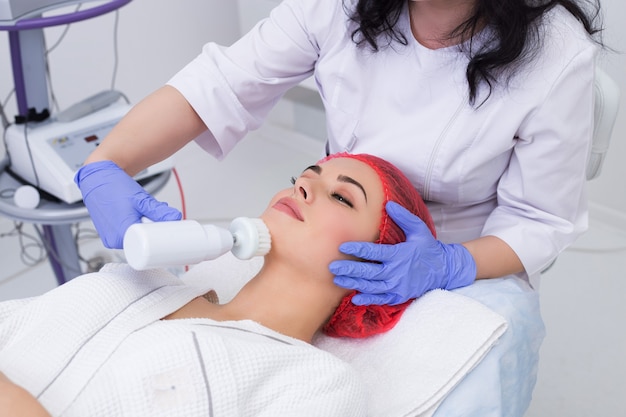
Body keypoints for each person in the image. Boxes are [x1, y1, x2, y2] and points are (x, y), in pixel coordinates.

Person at [73, 0, 603, 414]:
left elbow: (539, 219)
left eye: (335, 191)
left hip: (472, 247)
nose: (301, 187)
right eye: (303, 180)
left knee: (494, 339)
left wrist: (453, 262)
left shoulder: (556, 52)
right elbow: (223, 83)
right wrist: (106, 165)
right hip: (346, 218)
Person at [1, 153, 436, 417]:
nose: (304, 184)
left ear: (381, 262)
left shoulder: (317, 383)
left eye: (343, 197)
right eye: (303, 176)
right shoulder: (137, 280)